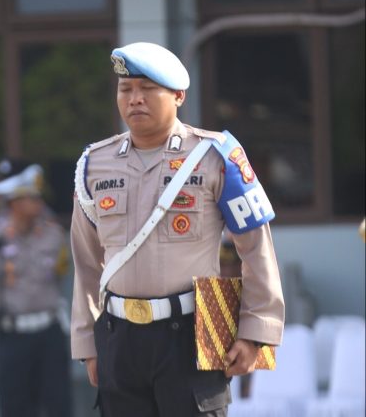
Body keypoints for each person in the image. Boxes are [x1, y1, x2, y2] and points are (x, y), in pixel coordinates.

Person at [70, 42, 285, 416]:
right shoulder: (94, 164)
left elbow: (256, 249)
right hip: (118, 337)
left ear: (179, 95)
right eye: (126, 89)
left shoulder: (217, 156)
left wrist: (255, 334)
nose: (135, 99)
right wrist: (88, 343)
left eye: (147, 89)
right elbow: (87, 262)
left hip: (191, 334)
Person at [0, 164, 73, 417]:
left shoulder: (54, 236)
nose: (38, 202)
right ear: (14, 202)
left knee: (58, 404)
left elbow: (60, 275)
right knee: (15, 406)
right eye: (32, 197)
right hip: (13, 335)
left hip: (49, 333)